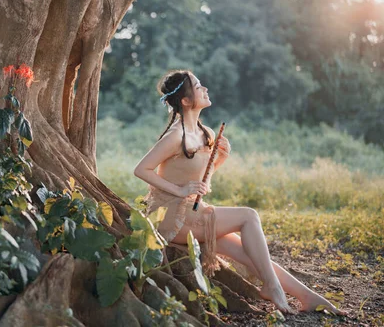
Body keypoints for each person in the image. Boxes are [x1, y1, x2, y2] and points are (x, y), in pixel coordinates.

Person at [133, 69, 346, 315]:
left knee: (253, 255)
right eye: (199, 86)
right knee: (249, 216)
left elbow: (202, 179)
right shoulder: (176, 135)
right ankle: (273, 287)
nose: (205, 89)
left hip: (192, 212)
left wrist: (220, 157)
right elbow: (141, 169)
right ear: (185, 100)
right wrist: (179, 190)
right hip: (170, 217)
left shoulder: (206, 133)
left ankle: (307, 297)